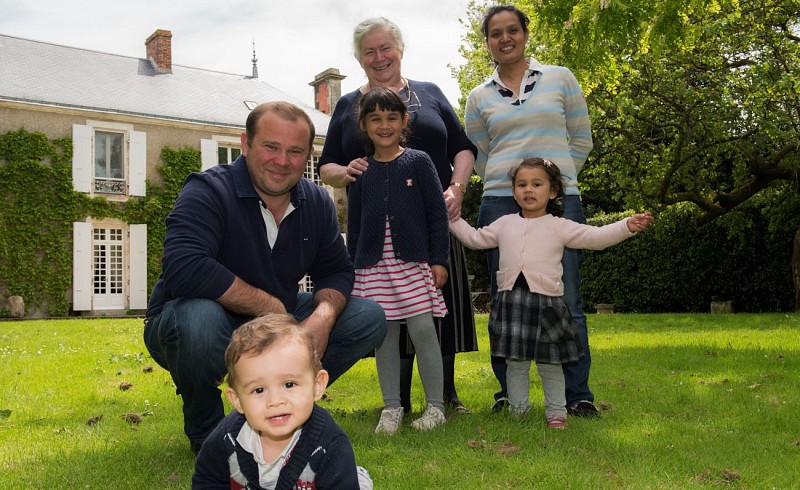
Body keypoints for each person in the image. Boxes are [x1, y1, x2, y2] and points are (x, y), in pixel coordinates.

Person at [144, 101, 387, 454]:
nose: (282, 161)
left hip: (278, 321)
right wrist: (272, 308)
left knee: (369, 317)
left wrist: (321, 318)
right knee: (198, 320)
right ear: (246, 144)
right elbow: (184, 266)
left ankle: (275, 414)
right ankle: (209, 435)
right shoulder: (209, 190)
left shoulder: (317, 201)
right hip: (191, 320)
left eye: (295, 151)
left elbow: (335, 270)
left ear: (308, 157)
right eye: (271, 147)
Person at [319, 16, 478, 415]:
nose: (379, 57)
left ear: (400, 50)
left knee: (437, 310)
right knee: (389, 312)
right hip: (378, 230)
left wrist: (456, 188)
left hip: (435, 219)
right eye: (369, 51)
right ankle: (399, 401)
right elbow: (327, 168)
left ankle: (445, 397)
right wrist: (347, 171)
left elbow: (462, 147)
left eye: (385, 48)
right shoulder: (347, 105)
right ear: (359, 59)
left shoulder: (430, 93)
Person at [464, 4, 599, 416]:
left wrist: (553, 182)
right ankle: (509, 395)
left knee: (567, 302)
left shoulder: (559, 78)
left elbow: (580, 139)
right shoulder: (478, 96)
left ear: (525, 33)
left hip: (560, 201)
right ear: (486, 42)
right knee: (506, 303)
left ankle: (577, 397)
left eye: (512, 30)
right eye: (495, 33)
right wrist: (510, 182)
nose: (504, 38)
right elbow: (482, 153)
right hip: (500, 203)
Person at [450, 158, 653, 427]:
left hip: (548, 306)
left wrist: (626, 226)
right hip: (512, 303)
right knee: (515, 363)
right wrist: (450, 218)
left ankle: (557, 412)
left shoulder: (560, 225)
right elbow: (475, 239)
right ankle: (518, 411)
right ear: (513, 192)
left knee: (550, 364)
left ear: (553, 191)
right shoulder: (504, 223)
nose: (528, 190)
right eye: (521, 185)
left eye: (537, 184)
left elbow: (596, 237)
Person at [348, 87, 450, 433]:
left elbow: (437, 214)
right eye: (375, 118)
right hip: (373, 268)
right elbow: (355, 224)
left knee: (423, 331)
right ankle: (392, 407)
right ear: (364, 124)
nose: (385, 124)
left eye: (392, 117)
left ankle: (435, 407)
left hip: (413, 265)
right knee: (384, 337)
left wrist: (439, 260)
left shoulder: (419, 162)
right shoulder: (361, 172)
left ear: (404, 121)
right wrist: (352, 269)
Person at [193, 314, 374, 489]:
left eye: (289, 384)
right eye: (258, 390)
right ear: (237, 400)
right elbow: (207, 481)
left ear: (317, 386)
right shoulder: (228, 437)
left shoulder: (329, 445)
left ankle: (359, 478)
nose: (275, 401)